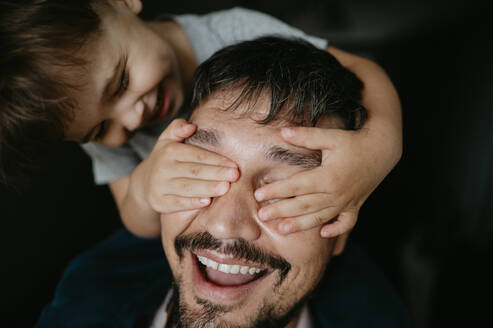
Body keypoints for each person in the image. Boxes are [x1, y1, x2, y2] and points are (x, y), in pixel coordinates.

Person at [36, 37, 408, 328]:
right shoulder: (84, 296)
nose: (225, 224)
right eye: (200, 168)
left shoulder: (376, 310)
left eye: (287, 188)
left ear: (342, 225)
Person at [0, 0, 402, 255]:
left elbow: (359, 69)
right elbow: (135, 221)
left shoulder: (236, 32)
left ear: (121, 3)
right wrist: (144, 187)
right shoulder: (100, 131)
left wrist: (379, 147)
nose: (131, 118)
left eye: (121, 82)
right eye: (98, 129)